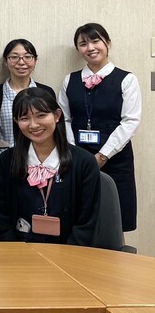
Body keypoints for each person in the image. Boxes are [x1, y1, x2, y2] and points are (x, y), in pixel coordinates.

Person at [0, 88, 101, 245]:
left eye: (41, 115)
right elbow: (0, 219)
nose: (33, 125)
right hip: (19, 253)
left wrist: (67, 256)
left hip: (69, 252)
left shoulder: (84, 163)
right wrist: (16, 253)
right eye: (24, 118)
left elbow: (87, 225)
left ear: (57, 115)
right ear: (16, 122)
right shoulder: (6, 162)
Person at [58, 23, 140, 232]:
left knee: (116, 220)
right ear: (78, 49)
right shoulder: (70, 80)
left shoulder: (127, 79)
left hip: (116, 158)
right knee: (80, 216)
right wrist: (73, 151)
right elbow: (63, 119)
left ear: (108, 43)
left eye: (96, 41)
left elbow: (130, 121)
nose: (90, 47)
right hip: (78, 158)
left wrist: (103, 156)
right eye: (83, 43)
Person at [0, 39, 55, 169]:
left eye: (27, 57)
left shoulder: (46, 92)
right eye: (14, 57)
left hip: (38, 162)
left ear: (35, 60)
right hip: (1, 161)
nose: (21, 62)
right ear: (5, 62)